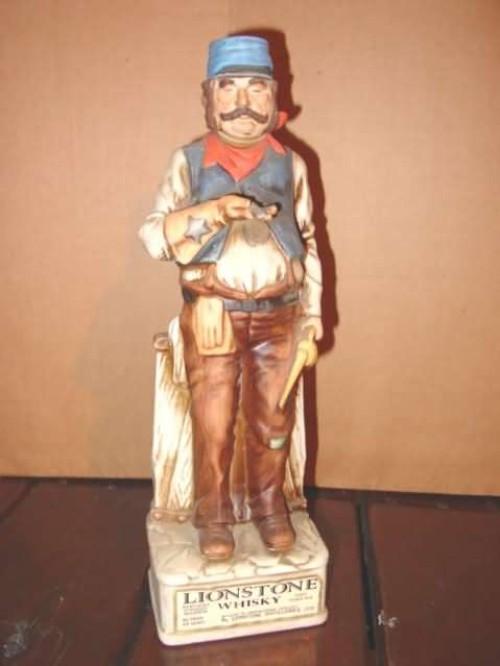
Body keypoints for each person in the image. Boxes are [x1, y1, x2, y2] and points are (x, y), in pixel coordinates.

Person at [139, 35, 323, 561]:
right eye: (229, 87)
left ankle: (268, 505)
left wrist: (312, 317)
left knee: (273, 421)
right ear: (209, 95)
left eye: (256, 87)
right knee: (214, 421)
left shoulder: (291, 165)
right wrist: (212, 212)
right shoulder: (189, 161)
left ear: (274, 95)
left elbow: (310, 240)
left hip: (279, 316)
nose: (243, 101)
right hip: (214, 312)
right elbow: (154, 237)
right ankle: (213, 512)